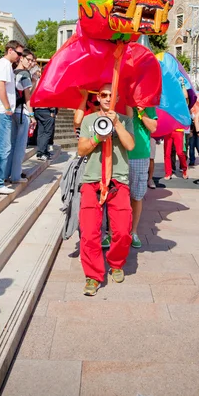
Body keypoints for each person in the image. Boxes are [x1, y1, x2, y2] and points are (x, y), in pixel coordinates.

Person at [77, 84, 134, 296]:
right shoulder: (89, 120)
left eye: (112, 95)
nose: (108, 98)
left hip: (118, 180)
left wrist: (117, 124)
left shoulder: (125, 120)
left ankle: (116, 262)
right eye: (104, 95)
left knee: (121, 230)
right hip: (92, 180)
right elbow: (81, 149)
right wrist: (96, 139)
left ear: (118, 98)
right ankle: (92, 276)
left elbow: (130, 145)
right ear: (98, 98)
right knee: (90, 232)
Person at [0, 40, 23, 194]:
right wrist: (7, 107)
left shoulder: (2, 64)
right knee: (2, 148)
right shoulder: (5, 64)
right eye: (19, 53)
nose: (20, 57)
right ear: (10, 50)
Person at [5, 48, 37, 184]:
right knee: (20, 146)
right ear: (21, 58)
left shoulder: (13, 72)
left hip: (12, 111)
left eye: (32, 60)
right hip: (22, 112)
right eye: (28, 59)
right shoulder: (25, 73)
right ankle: (16, 175)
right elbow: (27, 95)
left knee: (11, 145)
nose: (30, 63)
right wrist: (31, 115)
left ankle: (6, 174)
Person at [128, 106, 157, 248]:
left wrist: (141, 111)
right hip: (118, 154)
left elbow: (153, 128)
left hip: (139, 155)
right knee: (114, 195)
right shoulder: (116, 98)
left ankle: (133, 231)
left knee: (136, 196)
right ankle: (111, 232)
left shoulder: (147, 104)